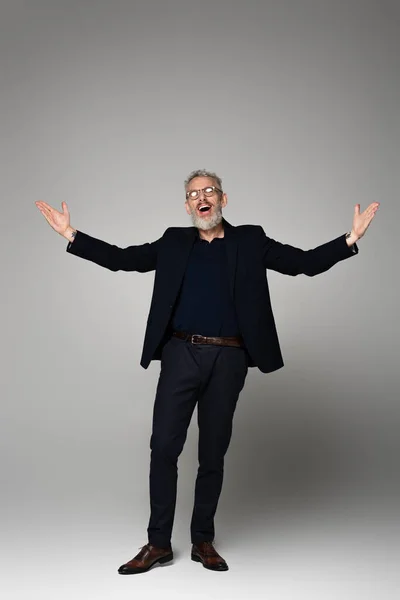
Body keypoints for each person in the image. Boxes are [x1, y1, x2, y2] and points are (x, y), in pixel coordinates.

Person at [35, 169, 379, 574]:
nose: (202, 197)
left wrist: (349, 239)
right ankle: (157, 543)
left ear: (223, 199)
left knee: (212, 453)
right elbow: (122, 259)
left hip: (229, 359)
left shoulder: (250, 240)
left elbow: (302, 263)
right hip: (182, 353)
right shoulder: (172, 242)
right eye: (193, 193)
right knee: (163, 446)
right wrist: (72, 234)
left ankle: (203, 540)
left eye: (209, 191)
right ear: (186, 206)